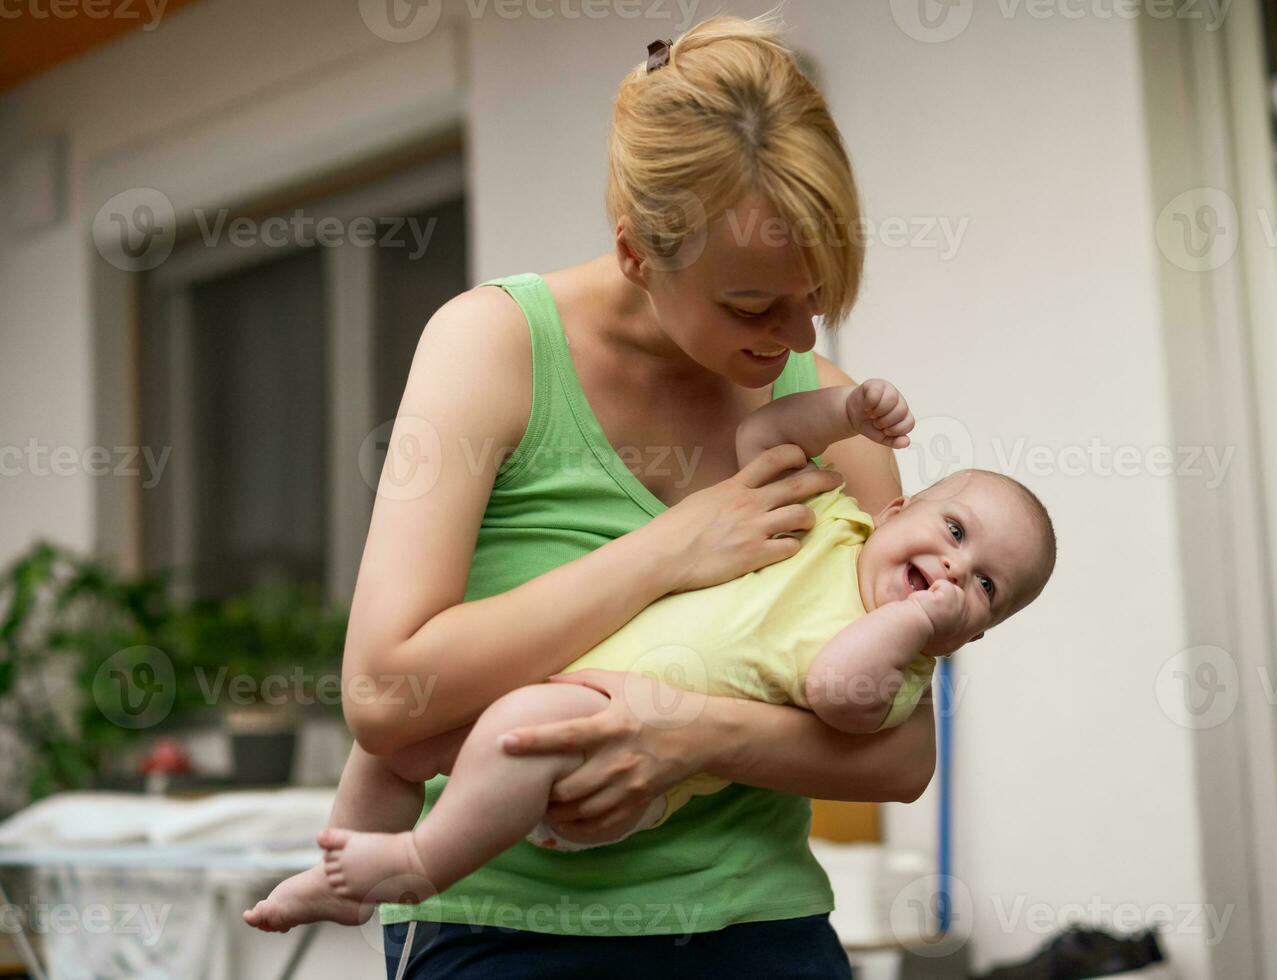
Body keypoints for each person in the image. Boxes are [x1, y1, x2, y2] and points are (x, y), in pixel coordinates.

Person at [248, 12, 961, 977]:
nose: (798, 339)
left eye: (817, 298)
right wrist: (672, 549)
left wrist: (681, 735)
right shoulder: (492, 349)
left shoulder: (829, 415)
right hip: (505, 934)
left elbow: (901, 756)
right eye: (752, 307)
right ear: (636, 254)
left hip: (759, 932)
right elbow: (384, 694)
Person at [244, 379, 1056, 924]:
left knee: (519, 724)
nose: (954, 570)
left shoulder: (898, 666)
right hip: (576, 685)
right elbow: (763, 431)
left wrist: (916, 625)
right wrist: (843, 416)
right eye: (953, 533)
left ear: (975, 634)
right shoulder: (832, 514)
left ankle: (421, 861)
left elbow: (838, 692)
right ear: (896, 508)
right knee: (398, 741)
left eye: (985, 588)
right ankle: (342, 870)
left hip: (613, 759)